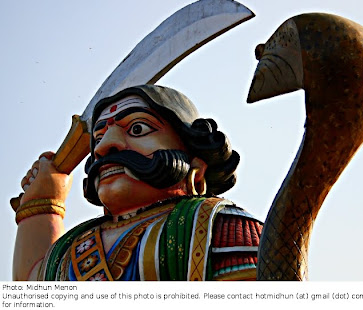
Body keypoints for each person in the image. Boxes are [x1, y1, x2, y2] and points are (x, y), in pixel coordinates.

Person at [12, 85, 262, 281]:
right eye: (98, 137)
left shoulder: (223, 227)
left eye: (138, 128)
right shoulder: (70, 251)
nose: (104, 147)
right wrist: (42, 202)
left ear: (196, 172)